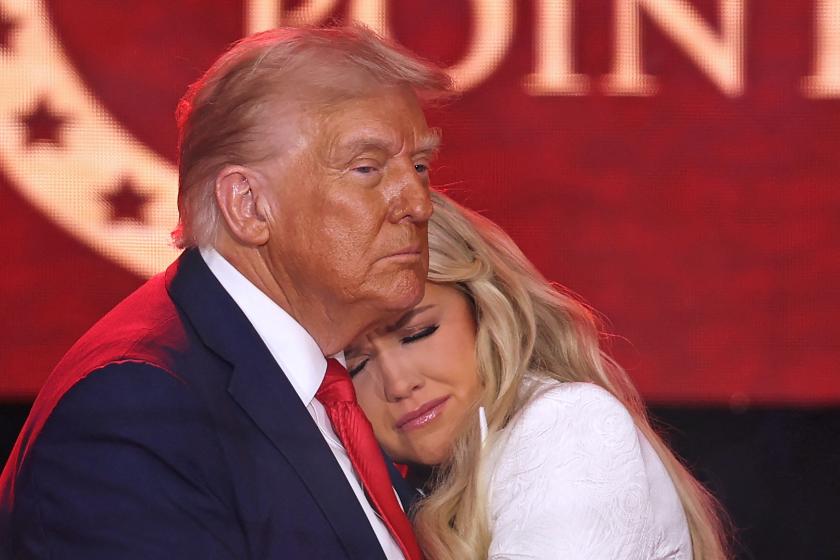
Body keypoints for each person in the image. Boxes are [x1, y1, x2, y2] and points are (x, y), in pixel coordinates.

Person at [0, 26, 451, 559]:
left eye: (419, 166)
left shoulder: (323, 385)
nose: (419, 203)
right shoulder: (135, 413)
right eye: (367, 169)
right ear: (248, 206)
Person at [345, 191, 730, 559]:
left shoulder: (567, 425)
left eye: (417, 334)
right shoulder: (414, 488)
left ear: (485, 310)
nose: (398, 383)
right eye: (356, 365)